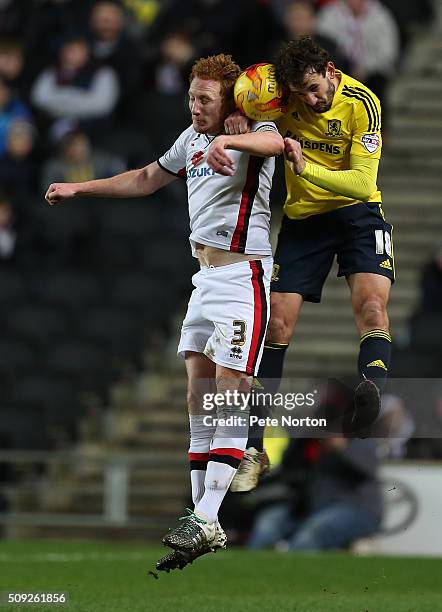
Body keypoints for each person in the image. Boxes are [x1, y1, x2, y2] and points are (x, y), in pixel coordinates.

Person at [44, 53, 284, 571]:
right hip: (204, 279)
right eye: (192, 97)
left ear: (230, 102)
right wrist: (80, 187)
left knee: (229, 394)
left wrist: (232, 137)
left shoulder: (252, 130)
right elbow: (148, 177)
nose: (196, 106)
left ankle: (207, 517)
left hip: (245, 277)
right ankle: (202, 520)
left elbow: (276, 142)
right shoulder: (191, 140)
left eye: (206, 99)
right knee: (197, 401)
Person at [218, 36, 395, 492]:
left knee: (372, 309)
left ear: (331, 72)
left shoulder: (362, 103)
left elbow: (361, 181)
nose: (312, 100)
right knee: (277, 327)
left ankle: (371, 388)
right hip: (304, 222)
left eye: (316, 88)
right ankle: (253, 448)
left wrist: (301, 165)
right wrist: (239, 118)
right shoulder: (285, 101)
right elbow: (248, 109)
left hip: (358, 213)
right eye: (302, 93)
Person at [248, 436, 382, 550]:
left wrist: (341, 449)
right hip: (308, 507)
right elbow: (287, 465)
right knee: (268, 525)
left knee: (311, 534)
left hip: (356, 508)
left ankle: (290, 578)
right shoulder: (311, 439)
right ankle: (251, 576)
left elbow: (367, 470)